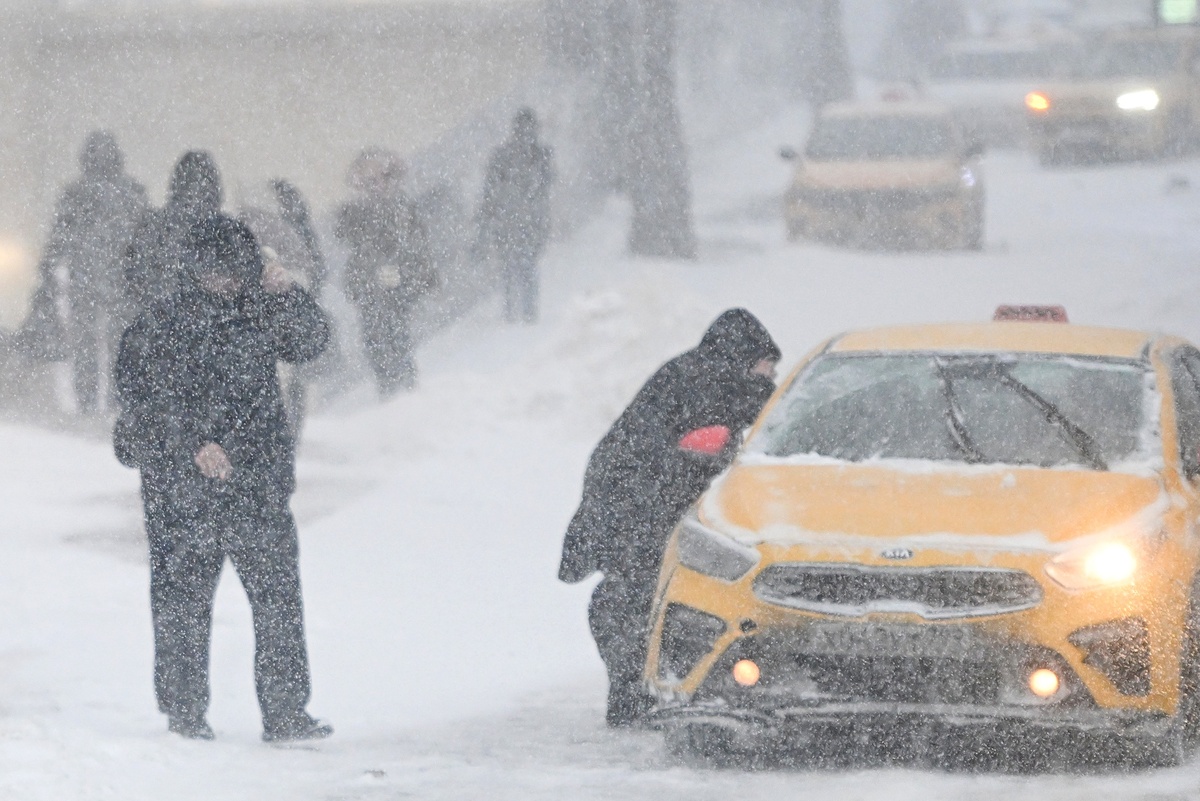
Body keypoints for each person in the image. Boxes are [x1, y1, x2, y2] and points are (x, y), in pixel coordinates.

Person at [113, 214, 332, 742]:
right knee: (182, 605)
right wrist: (191, 443)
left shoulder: (260, 309)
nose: (227, 281)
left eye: (238, 270)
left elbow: (311, 343)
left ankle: (285, 712)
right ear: (194, 269)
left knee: (278, 601)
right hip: (183, 492)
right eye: (217, 271)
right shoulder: (161, 322)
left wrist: (287, 292)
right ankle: (185, 715)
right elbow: (140, 398)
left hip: (256, 482)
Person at [558, 309, 781, 726]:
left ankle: (636, 693)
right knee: (636, 599)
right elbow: (731, 433)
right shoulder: (714, 385)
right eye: (764, 367)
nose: (769, 376)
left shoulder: (691, 373)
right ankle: (639, 694)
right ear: (743, 360)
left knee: (629, 597)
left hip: (629, 506)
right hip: (641, 511)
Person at [28, 130, 147, 412]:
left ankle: (88, 400)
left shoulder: (75, 195)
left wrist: (49, 269)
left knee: (86, 343)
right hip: (122, 280)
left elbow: (59, 238)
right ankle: (117, 400)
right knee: (120, 343)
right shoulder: (132, 192)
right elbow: (145, 238)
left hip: (86, 279)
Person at [335, 148, 438, 396]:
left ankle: (405, 385)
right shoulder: (355, 211)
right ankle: (388, 387)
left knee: (397, 333)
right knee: (374, 338)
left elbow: (416, 242)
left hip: (397, 282)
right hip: (369, 285)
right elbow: (346, 238)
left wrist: (418, 274)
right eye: (370, 180)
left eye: (384, 178)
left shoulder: (402, 207)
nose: (378, 185)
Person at [477, 108, 555, 324]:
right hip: (513, 221)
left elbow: (545, 185)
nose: (526, 135)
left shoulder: (540, 155)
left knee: (523, 265)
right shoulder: (505, 157)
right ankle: (515, 311)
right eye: (523, 130)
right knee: (514, 267)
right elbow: (490, 191)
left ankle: (523, 311)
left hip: (524, 221)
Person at [125, 150, 223, 311]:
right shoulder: (223, 229)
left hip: (162, 317)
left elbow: (135, 274)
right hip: (208, 318)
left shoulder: (153, 224)